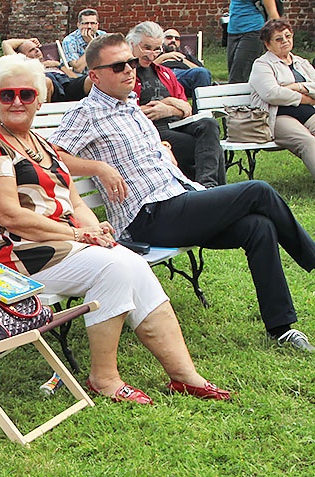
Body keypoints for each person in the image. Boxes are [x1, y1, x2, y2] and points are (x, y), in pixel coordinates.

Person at [0, 54, 228, 404]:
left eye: (26, 95)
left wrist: (96, 230)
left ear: (39, 101)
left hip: (60, 248)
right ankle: (104, 378)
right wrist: (77, 235)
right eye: (6, 95)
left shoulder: (41, 145)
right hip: (15, 256)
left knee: (126, 260)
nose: (16, 102)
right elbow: (11, 217)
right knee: (114, 267)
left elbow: (76, 201)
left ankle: (184, 375)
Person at [48, 33, 315, 352]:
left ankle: (281, 327)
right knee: (257, 191)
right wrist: (98, 168)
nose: (129, 70)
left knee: (259, 227)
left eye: (130, 63)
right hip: (147, 217)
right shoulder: (87, 112)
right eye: (118, 66)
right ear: (95, 75)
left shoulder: (130, 104)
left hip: (178, 199)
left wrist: (161, 147)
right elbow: (51, 156)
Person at [126, 21, 225, 188]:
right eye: (147, 48)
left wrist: (168, 106)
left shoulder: (164, 72)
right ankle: (211, 189)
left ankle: (207, 187)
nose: (152, 54)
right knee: (209, 148)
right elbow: (126, 111)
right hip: (151, 132)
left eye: (157, 49)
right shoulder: (126, 73)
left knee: (209, 124)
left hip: (177, 123)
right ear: (132, 44)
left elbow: (186, 109)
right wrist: (170, 105)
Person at [249, 19, 315, 179]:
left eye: (288, 36)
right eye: (279, 39)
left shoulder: (301, 62)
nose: (285, 41)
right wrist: (304, 99)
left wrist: (296, 86)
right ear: (268, 44)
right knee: (307, 141)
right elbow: (271, 94)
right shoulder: (262, 65)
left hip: (307, 114)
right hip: (277, 116)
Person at [2, 36, 92, 102]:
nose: (37, 50)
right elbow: (6, 44)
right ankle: (44, 121)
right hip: (52, 88)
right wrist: (28, 41)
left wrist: (58, 65)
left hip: (66, 84)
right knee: (45, 82)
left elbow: (74, 77)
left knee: (92, 80)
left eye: (37, 48)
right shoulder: (24, 63)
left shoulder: (53, 63)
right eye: (31, 50)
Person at [227, 0, 280, 84]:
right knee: (234, 74)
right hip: (233, 31)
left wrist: (279, 36)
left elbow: (273, 13)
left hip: (252, 31)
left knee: (238, 78)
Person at [156, 28, 213, 101]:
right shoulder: (156, 54)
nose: (173, 40)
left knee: (202, 73)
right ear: (162, 40)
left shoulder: (186, 57)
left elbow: (202, 71)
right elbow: (147, 67)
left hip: (183, 76)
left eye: (177, 39)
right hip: (162, 76)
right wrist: (165, 56)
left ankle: (200, 111)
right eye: (169, 37)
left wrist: (182, 59)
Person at [61, 8, 106, 75]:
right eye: (86, 23)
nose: (89, 27)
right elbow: (78, 68)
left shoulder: (103, 36)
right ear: (78, 25)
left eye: (93, 23)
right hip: (82, 78)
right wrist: (92, 45)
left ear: (97, 25)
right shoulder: (69, 41)